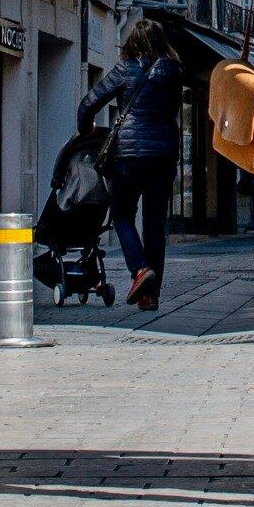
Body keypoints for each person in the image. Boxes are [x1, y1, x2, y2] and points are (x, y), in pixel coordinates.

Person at [79, 19, 186, 308]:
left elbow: (90, 102)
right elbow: (173, 110)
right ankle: (151, 295)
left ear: (133, 41)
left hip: (128, 155)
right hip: (163, 154)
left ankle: (140, 269)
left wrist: (86, 128)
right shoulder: (174, 71)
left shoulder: (126, 67)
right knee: (154, 224)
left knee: (122, 214)